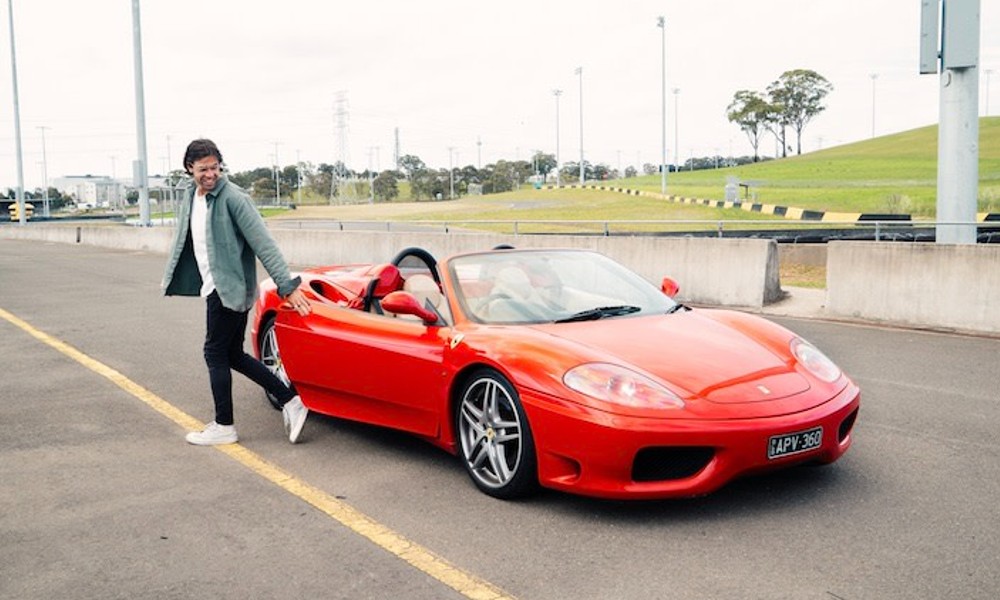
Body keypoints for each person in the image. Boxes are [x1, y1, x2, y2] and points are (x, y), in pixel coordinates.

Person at [162, 139, 311, 446]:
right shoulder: (192, 196)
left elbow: (264, 244)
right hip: (213, 285)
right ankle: (290, 399)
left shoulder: (233, 198)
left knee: (214, 352)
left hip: (228, 288)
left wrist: (287, 287)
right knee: (231, 354)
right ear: (189, 168)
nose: (210, 175)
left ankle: (224, 425)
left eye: (215, 168)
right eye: (203, 169)